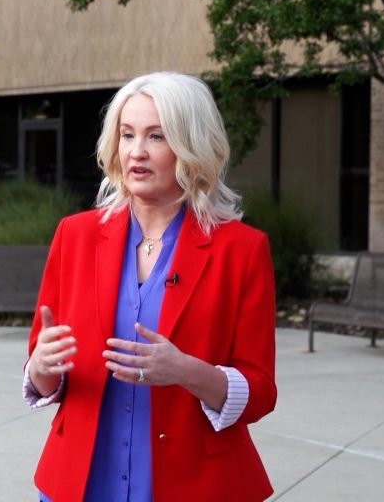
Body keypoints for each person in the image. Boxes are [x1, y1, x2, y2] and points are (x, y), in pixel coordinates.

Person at [24, 72, 277, 501]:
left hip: (198, 485)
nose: (136, 152)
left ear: (191, 145)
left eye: (156, 136)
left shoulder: (243, 250)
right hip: (79, 483)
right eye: (127, 135)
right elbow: (45, 380)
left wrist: (186, 371)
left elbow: (260, 393)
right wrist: (41, 368)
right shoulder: (75, 235)